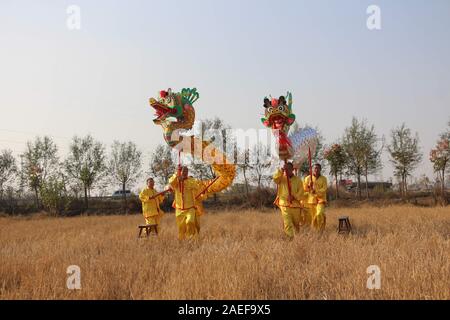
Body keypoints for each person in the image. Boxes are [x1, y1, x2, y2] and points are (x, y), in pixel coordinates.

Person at [273, 162, 308, 239]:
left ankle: (296, 238)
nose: (287, 170)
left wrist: (294, 197)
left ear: (292, 169)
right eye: (285, 169)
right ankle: (290, 238)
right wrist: (281, 170)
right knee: (287, 222)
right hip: (284, 204)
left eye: (289, 169)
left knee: (296, 224)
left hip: (295, 205)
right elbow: (275, 179)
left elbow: (301, 192)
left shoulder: (298, 180)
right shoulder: (281, 178)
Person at [168, 166, 203, 240]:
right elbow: (171, 183)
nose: (184, 173)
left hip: (190, 207)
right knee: (181, 227)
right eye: (183, 171)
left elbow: (195, 186)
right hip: (179, 208)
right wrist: (176, 174)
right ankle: (182, 241)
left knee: (190, 222)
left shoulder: (191, 180)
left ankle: (190, 238)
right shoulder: (175, 181)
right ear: (180, 172)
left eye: (186, 171)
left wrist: (184, 181)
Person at [303, 163, 328, 231]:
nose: (316, 170)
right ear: (312, 169)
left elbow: (324, 189)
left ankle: (320, 230)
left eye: (318, 168)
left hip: (321, 200)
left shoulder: (324, 179)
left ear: (320, 169)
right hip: (311, 201)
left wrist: (316, 191)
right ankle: (316, 231)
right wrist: (309, 186)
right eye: (315, 168)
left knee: (319, 214)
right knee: (313, 218)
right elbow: (304, 189)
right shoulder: (308, 178)